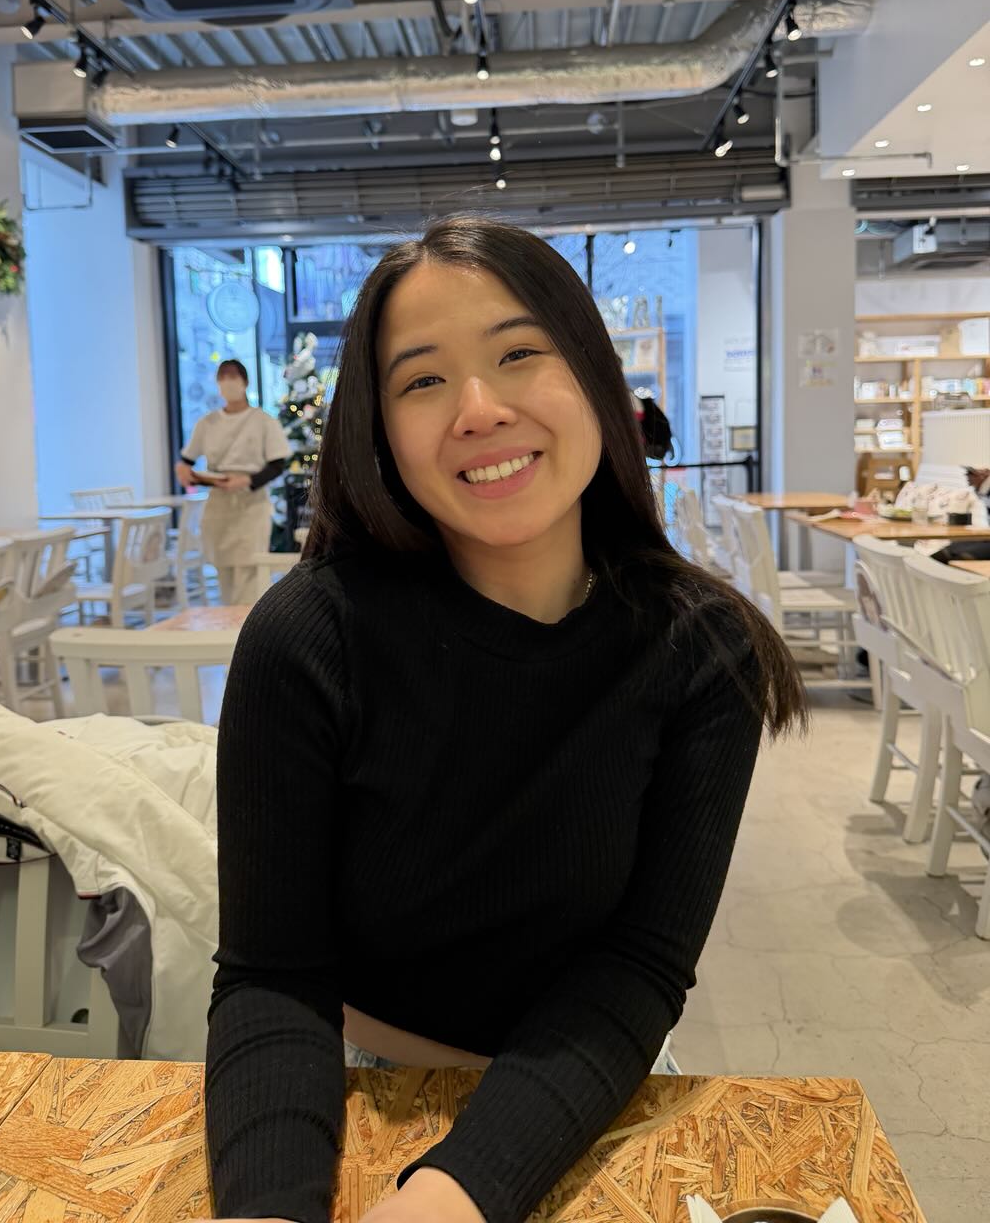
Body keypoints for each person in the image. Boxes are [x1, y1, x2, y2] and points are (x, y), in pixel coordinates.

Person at [202, 218, 807, 1223]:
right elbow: (273, 977)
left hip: (594, 1081)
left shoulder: (702, 650)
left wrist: (458, 1192)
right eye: (423, 379)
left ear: (596, 379)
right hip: (367, 1086)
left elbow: (641, 964)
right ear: (379, 431)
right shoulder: (309, 637)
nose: (479, 409)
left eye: (520, 353)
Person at [175, 360, 290, 605]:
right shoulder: (207, 423)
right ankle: (227, 624)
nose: (227, 382)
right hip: (219, 504)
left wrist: (247, 480)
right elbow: (187, 459)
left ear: (245, 382)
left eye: (233, 376)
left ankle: (249, 625)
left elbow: (278, 464)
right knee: (223, 571)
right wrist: (183, 470)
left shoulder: (263, 421)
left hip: (251, 503)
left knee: (250, 574)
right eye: (222, 377)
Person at [930, 466, 990, 564]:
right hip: (987, 536)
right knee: (947, 551)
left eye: (970, 474)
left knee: (963, 555)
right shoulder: (982, 492)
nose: (967, 476)